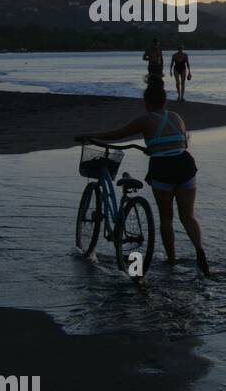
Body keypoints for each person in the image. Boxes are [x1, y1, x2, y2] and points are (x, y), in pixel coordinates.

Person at [77, 77, 209, 274]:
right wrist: (156, 146)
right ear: (165, 101)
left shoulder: (146, 120)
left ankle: (172, 260)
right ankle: (200, 251)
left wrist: (92, 136)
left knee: (167, 218)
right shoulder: (176, 117)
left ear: (146, 103)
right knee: (188, 216)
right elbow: (182, 143)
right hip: (185, 165)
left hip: (163, 168)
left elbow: (118, 134)